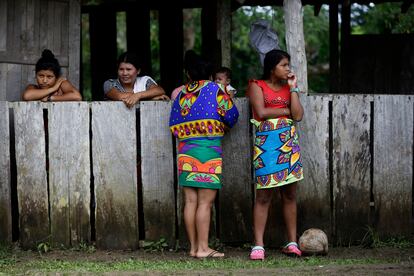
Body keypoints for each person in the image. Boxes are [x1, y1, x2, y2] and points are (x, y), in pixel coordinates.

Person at [169, 51, 239, 259]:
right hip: (208, 151)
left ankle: (193, 248)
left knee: (190, 202)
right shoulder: (214, 89)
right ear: (209, 74)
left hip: (186, 152)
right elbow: (232, 115)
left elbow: (173, 125)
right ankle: (203, 249)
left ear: (188, 74)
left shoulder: (181, 94)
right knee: (205, 203)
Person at [247, 49, 304, 260]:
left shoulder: (289, 89)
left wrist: (294, 88)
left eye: (288, 65)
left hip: (289, 145)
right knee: (263, 196)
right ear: (272, 68)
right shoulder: (257, 85)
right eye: (284, 65)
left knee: (289, 195)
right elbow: (261, 113)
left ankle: (292, 242)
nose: (288, 69)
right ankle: (258, 245)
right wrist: (285, 110)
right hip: (267, 147)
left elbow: (297, 115)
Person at [104, 52, 168, 108]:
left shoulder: (145, 81)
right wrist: (151, 98)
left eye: (128, 69)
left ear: (138, 71)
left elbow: (160, 90)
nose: (124, 73)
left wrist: (138, 95)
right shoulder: (110, 84)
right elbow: (120, 96)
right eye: (121, 69)